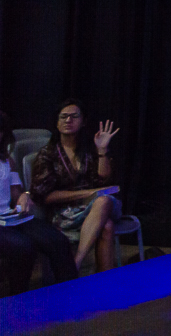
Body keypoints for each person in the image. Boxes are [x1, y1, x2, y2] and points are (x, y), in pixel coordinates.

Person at [29, 100, 120, 273]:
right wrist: (86, 193)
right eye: (63, 117)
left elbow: (104, 181)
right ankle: (106, 284)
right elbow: (43, 195)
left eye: (74, 116)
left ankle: (74, 264)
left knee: (103, 201)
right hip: (65, 213)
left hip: (98, 207)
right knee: (106, 226)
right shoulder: (48, 154)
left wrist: (102, 150)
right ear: (57, 122)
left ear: (83, 121)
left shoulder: (90, 149)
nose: (68, 120)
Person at [0, 111, 78, 293]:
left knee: (57, 241)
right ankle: (19, 300)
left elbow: (16, 191)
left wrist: (23, 196)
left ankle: (71, 295)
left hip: (8, 217)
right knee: (23, 247)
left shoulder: (6, 161)